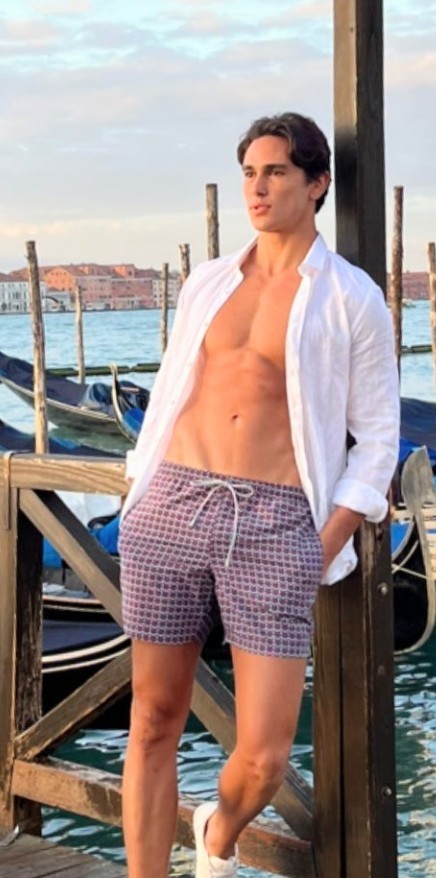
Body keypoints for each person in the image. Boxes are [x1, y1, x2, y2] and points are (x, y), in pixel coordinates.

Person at [118, 111, 399, 878]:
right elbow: (172, 392)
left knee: (266, 754)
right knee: (153, 719)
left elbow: (378, 439)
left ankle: (218, 833)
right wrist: (141, 487)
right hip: (174, 500)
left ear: (317, 183)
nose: (258, 187)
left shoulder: (351, 298)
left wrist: (324, 541)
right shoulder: (208, 282)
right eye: (249, 172)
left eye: (275, 171)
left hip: (277, 521)